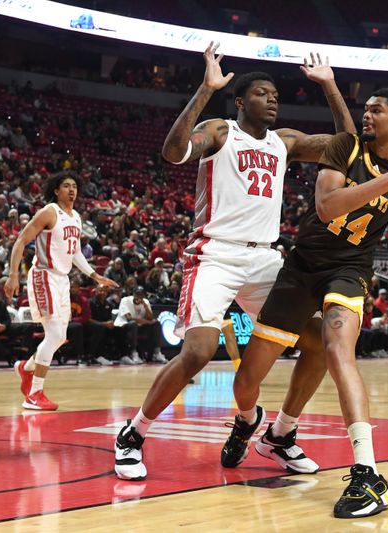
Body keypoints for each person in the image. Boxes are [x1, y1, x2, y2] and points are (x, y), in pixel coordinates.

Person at [222, 87, 388, 518]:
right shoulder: (345, 147)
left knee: (336, 348)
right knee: (247, 379)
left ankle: (367, 472)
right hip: (302, 266)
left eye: (376, 110)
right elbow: (327, 207)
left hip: (350, 270)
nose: (366, 115)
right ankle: (251, 424)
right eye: (365, 109)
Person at [113, 43, 355, 481]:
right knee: (199, 352)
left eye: (275, 94)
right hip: (215, 254)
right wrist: (205, 90)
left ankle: (279, 433)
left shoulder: (287, 142)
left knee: (322, 341)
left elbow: (347, 146)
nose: (273, 99)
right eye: (262, 93)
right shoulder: (220, 131)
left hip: (264, 259)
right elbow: (173, 151)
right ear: (241, 101)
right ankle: (132, 434)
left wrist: (330, 86)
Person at [5, 175, 118, 411]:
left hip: (62, 279)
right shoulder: (49, 212)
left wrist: (96, 276)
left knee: (59, 336)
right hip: (44, 274)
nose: (71, 190)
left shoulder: (75, 217)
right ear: (56, 190)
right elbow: (20, 241)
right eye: (66, 186)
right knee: (55, 334)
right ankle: (34, 393)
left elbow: (75, 253)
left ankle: (26, 368)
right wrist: (13, 275)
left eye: (74, 186)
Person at [114, 286, 166, 363]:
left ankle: (157, 353)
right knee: (133, 324)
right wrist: (147, 322)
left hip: (139, 326)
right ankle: (134, 353)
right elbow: (129, 318)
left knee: (156, 324)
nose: (139, 296)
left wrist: (145, 306)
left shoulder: (146, 302)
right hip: (124, 326)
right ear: (133, 294)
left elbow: (150, 318)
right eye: (137, 294)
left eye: (141, 294)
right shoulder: (125, 300)